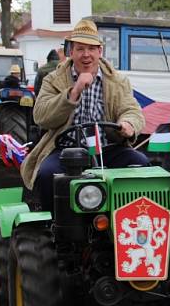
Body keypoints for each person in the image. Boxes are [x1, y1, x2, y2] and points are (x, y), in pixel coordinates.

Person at [20, 19, 148, 210]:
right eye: (80, 49)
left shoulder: (117, 81)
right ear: (71, 52)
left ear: (100, 52)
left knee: (140, 165)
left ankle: (129, 219)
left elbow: (132, 110)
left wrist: (128, 124)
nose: (86, 55)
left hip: (108, 149)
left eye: (91, 49)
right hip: (65, 150)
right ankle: (53, 229)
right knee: (47, 175)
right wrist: (73, 92)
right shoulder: (53, 79)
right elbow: (41, 116)